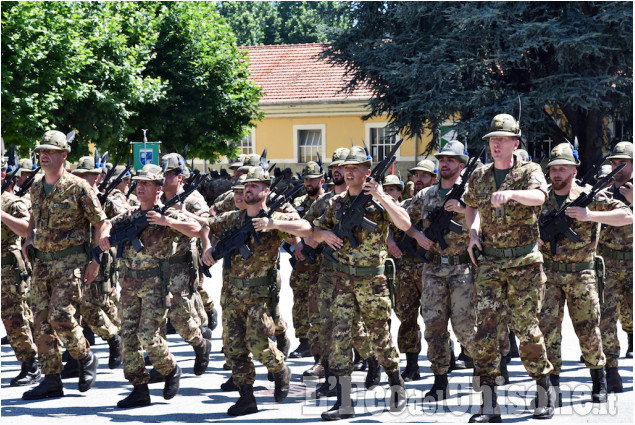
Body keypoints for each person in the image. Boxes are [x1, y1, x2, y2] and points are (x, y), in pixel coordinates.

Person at [464, 114, 556, 422]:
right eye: (492, 139)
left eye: (502, 139)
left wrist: (512, 193)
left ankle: (543, 391)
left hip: (524, 263)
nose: (496, 144)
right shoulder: (479, 175)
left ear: (515, 143)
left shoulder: (530, 170)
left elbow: (540, 196)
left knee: (526, 328)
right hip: (490, 261)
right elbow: (471, 206)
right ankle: (489, 404)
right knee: (486, 331)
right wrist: (473, 234)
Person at [202, 166, 312, 416]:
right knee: (234, 348)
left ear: (265, 190)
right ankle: (246, 398)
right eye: (244, 186)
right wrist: (209, 248)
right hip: (231, 295)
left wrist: (273, 224)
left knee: (258, 343)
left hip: (260, 295)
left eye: (253, 185)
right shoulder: (234, 218)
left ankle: (280, 369)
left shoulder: (272, 221)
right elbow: (207, 225)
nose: (247, 189)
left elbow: (306, 228)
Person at [312, 146, 411, 420]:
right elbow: (313, 232)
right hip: (342, 279)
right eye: (346, 167)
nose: (349, 171)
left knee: (380, 336)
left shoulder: (379, 201)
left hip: (372, 280)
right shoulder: (335, 202)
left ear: (367, 171)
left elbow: (404, 224)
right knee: (340, 337)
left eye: (356, 167)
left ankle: (395, 381)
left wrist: (380, 195)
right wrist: (324, 236)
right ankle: (345, 401)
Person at [98, 163, 202, 408]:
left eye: (146, 183)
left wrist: (166, 222)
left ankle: (171, 369)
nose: (140, 187)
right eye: (139, 183)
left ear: (158, 188)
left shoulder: (167, 214)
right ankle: (139, 388)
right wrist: (104, 234)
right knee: (129, 339)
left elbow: (197, 229)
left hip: (155, 284)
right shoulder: (131, 215)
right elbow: (107, 222)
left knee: (148, 334)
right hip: (129, 284)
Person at [538, 143, 632, 404]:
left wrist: (589, 215)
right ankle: (552, 385)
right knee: (548, 331)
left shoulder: (590, 196)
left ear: (574, 171)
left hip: (582, 275)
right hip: (549, 277)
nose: (557, 173)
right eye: (553, 169)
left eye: (563, 168)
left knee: (589, 330)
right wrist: (535, 240)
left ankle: (599, 381)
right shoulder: (541, 197)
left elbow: (627, 216)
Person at [21, 130, 105, 400]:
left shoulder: (79, 186)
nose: (43, 155)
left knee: (61, 318)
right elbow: (34, 216)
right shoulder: (35, 186)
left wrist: (95, 260)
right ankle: (51, 379)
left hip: (71, 264)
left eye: (51, 152)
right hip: (42, 264)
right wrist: (29, 237)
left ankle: (86, 356)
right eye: (41, 152)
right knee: (41, 322)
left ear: (64, 156)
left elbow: (100, 222)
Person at [406, 140, 476, 399]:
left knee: (465, 327)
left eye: (450, 160)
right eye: (442, 159)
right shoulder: (426, 196)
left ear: (461, 165)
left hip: (462, 272)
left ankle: (483, 369)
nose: (444, 163)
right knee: (434, 328)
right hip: (433, 270)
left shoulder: (471, 195)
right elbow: (403, 218)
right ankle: (439, 380)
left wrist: (464, 209)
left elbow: (490, 224)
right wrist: (417, 235)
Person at [147, 153, 211, 383]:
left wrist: (178, 216)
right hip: (157, 265)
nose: (163, 179)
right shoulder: (159, 196)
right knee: (155, 316)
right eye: (161, 175)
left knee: (180, 316)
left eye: (167, 174)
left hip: (181, 264)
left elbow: (206, 225)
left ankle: (200, 343)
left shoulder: (192, 198)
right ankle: (161, 363)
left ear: (179, 176)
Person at [70, 157, 122, 371]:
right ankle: (77, 356)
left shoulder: (106, 200)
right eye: (79, 175)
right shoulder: (71, 196)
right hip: (74, 258)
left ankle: (114, 339)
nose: (82, 179)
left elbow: (123, 220)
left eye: (86, 175)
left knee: (91, 306)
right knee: (76, 307)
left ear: (97, 177)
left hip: (98, 257)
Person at [1, 158, 40, 386]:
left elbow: (28, 230)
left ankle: (31, 364)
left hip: (8, 268)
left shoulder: (11, 203)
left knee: (15, 317)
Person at [598, 141, 634, 391]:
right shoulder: (602, 193)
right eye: (613, 162)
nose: (616, 167)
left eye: (622, 163)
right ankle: (612, 370)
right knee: (606, 319)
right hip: (609, 264)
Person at [289, 161, 325, 359]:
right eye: (306, 179)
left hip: (323, 261)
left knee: (320, 305)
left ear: (322, 179)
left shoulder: (330, 200)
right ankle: (304, 342)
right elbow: (288, 229)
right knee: (301, 302)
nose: (309, 182)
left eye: (313, 178)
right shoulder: (298, 204)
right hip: (302, 262)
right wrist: (297, 244)